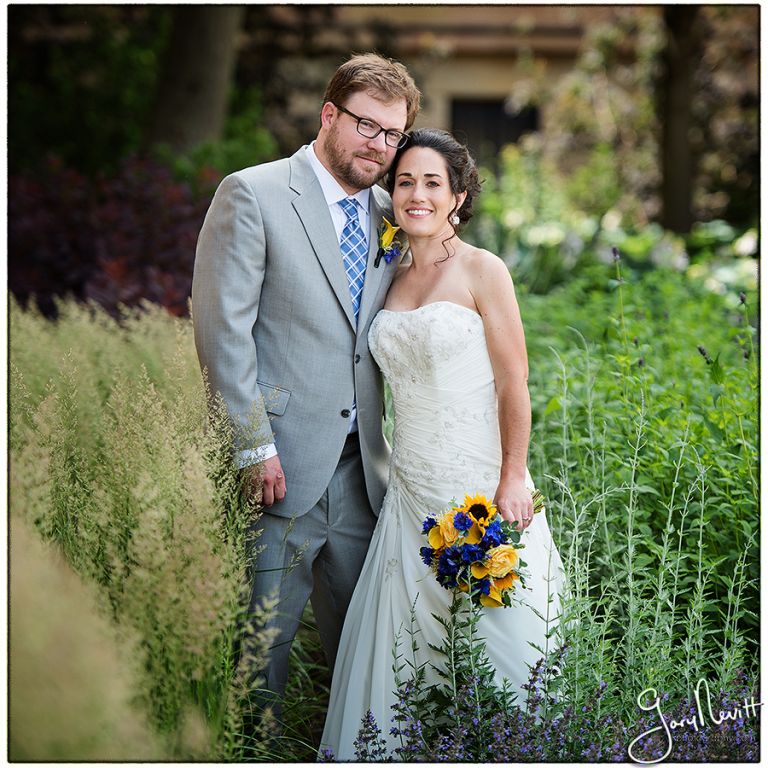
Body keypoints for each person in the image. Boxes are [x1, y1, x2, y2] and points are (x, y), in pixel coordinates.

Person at [320, 128, 565, 758]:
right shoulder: (384, 273)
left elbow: (515, 380)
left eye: (432, 182)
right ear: (391, 193)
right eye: (405, 182)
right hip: (407, 492)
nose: (417, 194)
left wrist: (514, 474)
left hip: (482, 485)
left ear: (458, 195)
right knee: (407, 654)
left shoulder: (484, 269)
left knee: (502, 651)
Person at [191, 53, 421, 724]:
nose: (378, 145)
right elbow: (220, 329)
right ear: (329, 115)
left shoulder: (392, 212)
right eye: (365, 125)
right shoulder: (254, 193)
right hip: (278, 465)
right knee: (261, 649)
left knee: (363, 650)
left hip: (364, 474)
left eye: (392, 134)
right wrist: (250, 444)